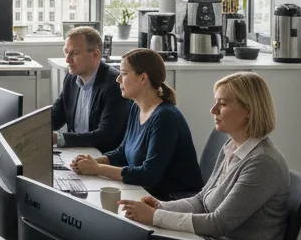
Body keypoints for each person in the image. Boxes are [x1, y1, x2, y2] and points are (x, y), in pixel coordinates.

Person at [119, 72, 291, 240]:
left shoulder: (262, 162)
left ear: (249, 110)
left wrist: (155, 216)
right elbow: (202, 200)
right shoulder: (231, 146)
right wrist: (160, 207)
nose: (213, 110)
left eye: (222, 104)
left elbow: (218, 224)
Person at [70, 48, 202, 201]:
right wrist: (90, 163)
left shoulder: (165, 117)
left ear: (143, 78)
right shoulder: (136, 108)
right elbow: (122, 152)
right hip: (144, 193)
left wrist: (98, 169)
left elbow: (149, 175)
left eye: (124, 73)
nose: (118, 79)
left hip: (171, 200)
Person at [51, 26, 129, 153]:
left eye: (75, 53)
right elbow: (55, 117)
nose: (67, 59)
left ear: (95, 55)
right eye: (66, 52)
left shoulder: (115, 84)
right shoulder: (71, 78)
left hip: (101, 156)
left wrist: (59, 138)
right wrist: (28, 128)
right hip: (76, 152)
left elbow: (105, 136)